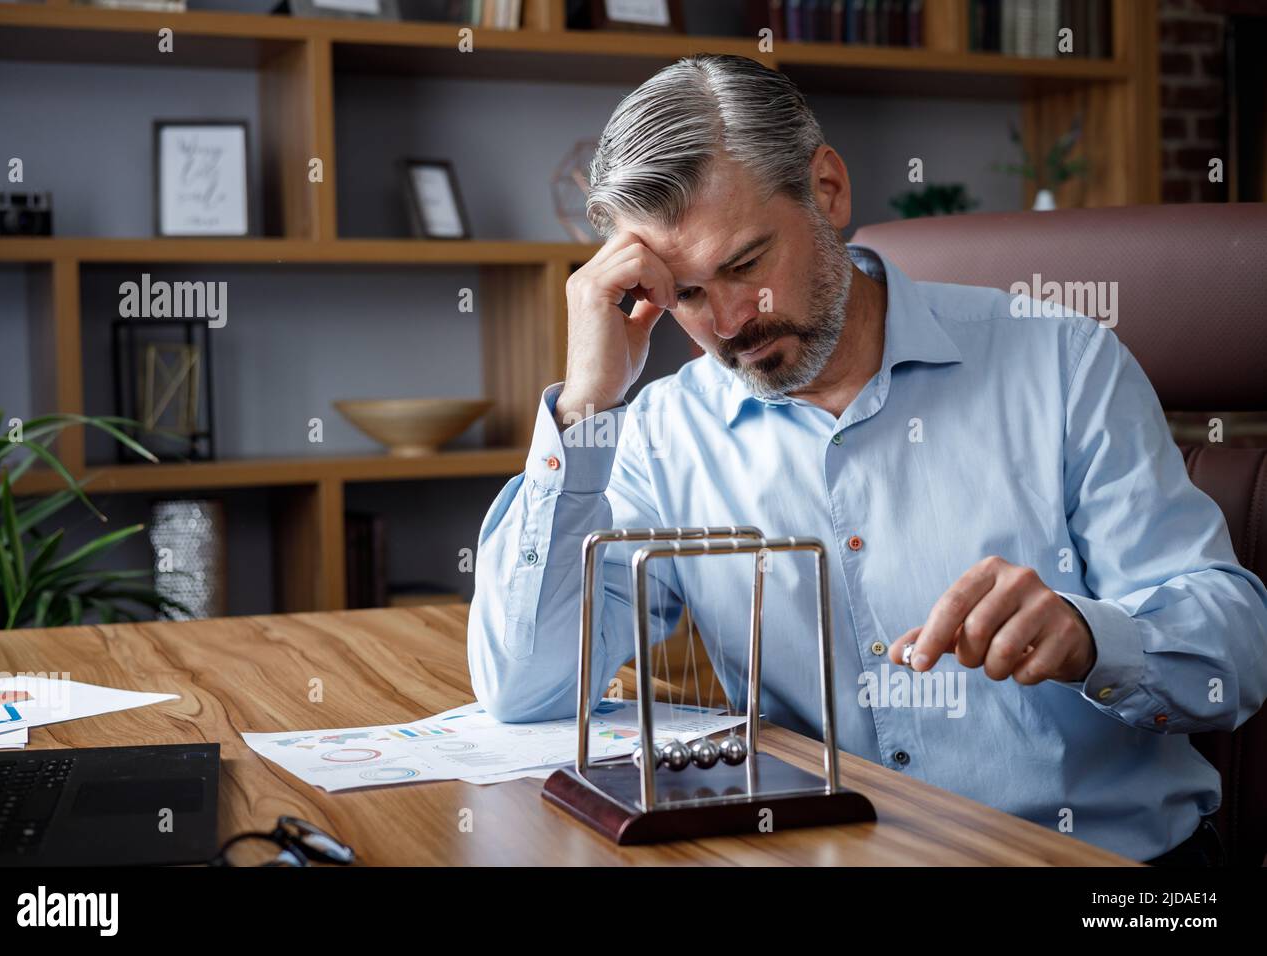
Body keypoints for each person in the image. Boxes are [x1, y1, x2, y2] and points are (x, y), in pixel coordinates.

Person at [466, 53, 1267, 865]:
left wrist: (1093, 637)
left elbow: (1234, 655)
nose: (733, 321)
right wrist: (585, 409)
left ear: (828, 189)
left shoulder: (1065, 364)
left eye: (745, 265)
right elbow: (526, 688)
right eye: (688, 295)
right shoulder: (662, 431)